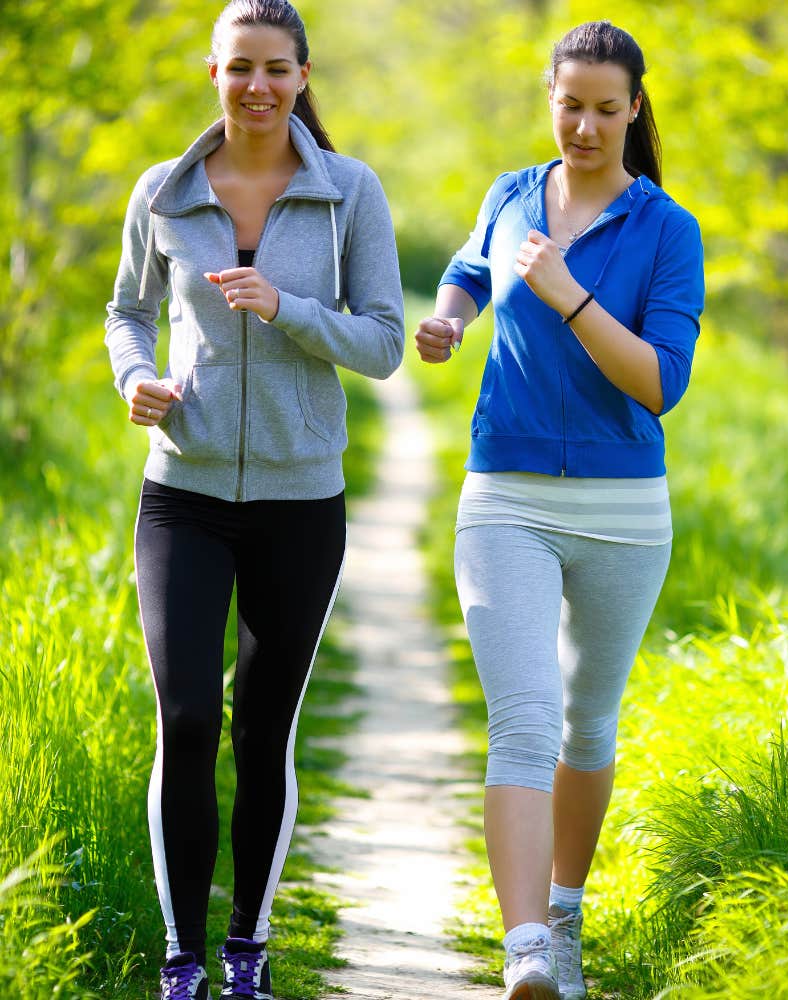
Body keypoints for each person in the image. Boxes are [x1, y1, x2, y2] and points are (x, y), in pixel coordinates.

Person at [105, 1, 404, 997]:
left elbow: (383, 342)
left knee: (261, 726)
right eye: (240, 68)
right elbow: (126, 311)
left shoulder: (348, 193)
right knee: (186, 715)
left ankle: (248, 948)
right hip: (180, 494)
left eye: (277, 68)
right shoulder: (165, 190)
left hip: (299, 500)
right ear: (213, 73)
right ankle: (182, 957)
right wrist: (134, 377)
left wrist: (289, 311)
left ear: (304, 75)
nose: (258, 87)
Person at [415, 21, 704, 1000]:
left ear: (633, 109)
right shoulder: (510, 192)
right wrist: (450, 319)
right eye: (567, 103)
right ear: (550, 99)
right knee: (525, 722)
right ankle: (526, 944)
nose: (582, 124)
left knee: (587, 725)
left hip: (624, 508)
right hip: (506, 495)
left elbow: (660, 383)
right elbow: (467, 267)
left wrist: (566, 292)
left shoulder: (667, 229)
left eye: (603, 107)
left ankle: (566, 912)